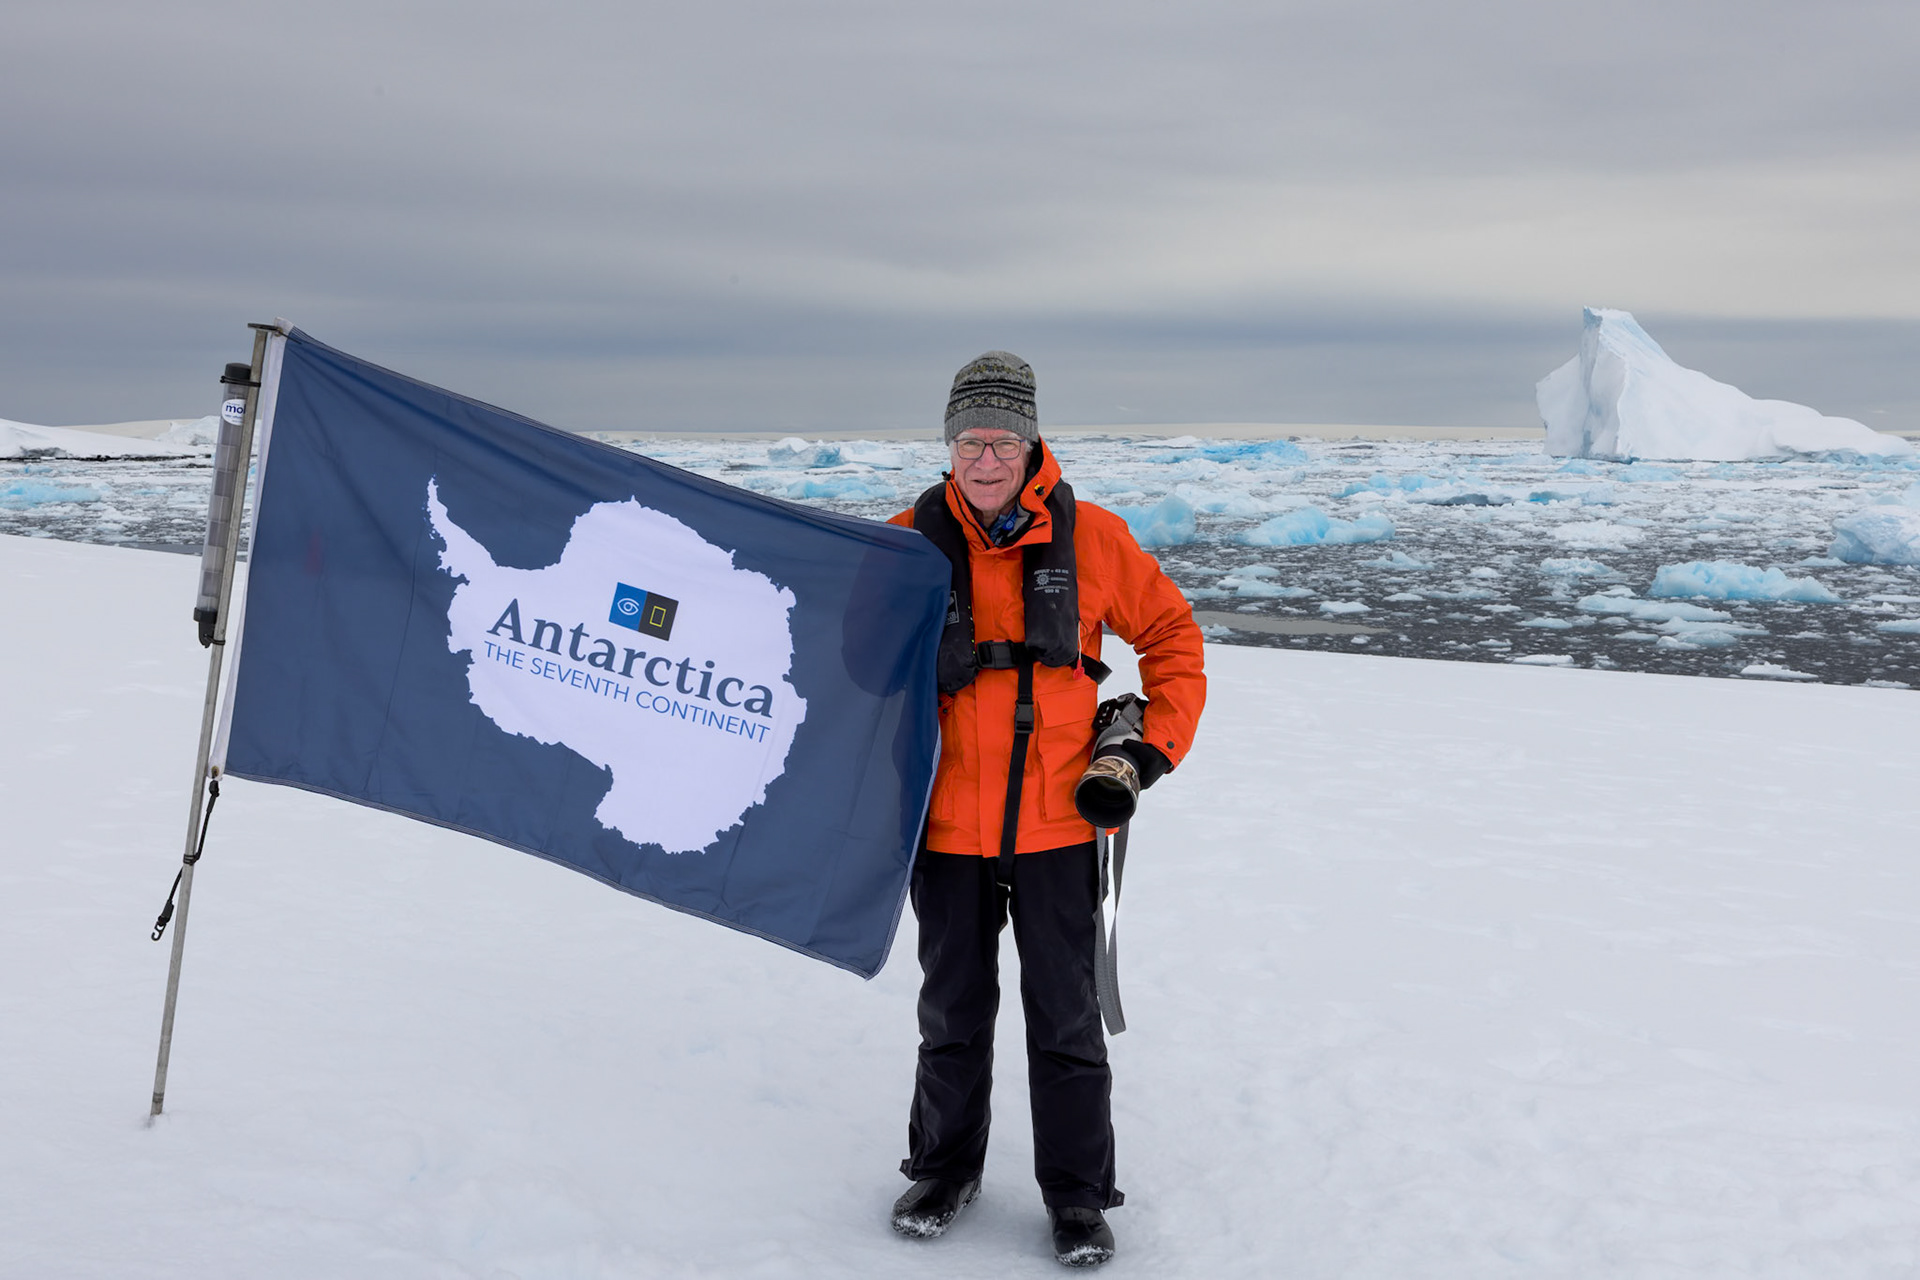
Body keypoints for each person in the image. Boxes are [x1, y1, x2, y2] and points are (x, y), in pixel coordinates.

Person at [887, 351, 1206, 1267]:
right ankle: (943, 1170)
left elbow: (1174, 638)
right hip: (945, 829)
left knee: (1064, 1017)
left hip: (1061, 827)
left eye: (1002, 440)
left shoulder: (1096, 540)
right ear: (949, 445)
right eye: (968, 440)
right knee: (951, 1009)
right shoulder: (906, 544)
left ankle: (1076, 1197)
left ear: (1032, 444)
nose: (985, 459)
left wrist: (1147, 747)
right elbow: (849, 660)